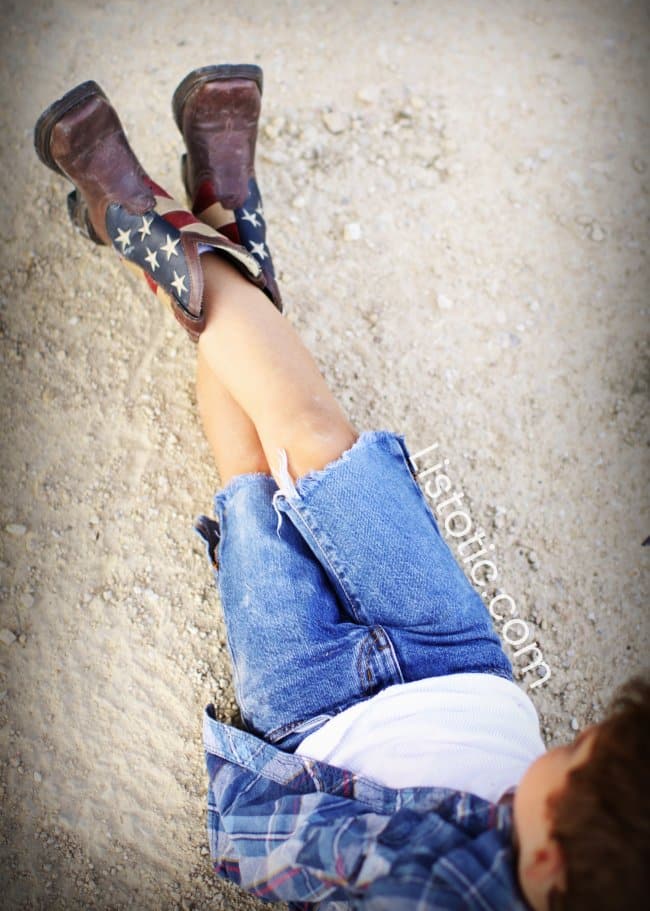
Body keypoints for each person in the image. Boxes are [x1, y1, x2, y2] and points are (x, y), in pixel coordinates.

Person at [34, 66, 649, 911]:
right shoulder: (599, 837)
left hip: (314, 712)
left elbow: (295, 857)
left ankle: (193, 222)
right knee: (322, 442)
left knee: (247, 487)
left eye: (574, 758)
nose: (574, 740)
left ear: (547, 866)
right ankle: (162, 221)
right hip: (455, 653)